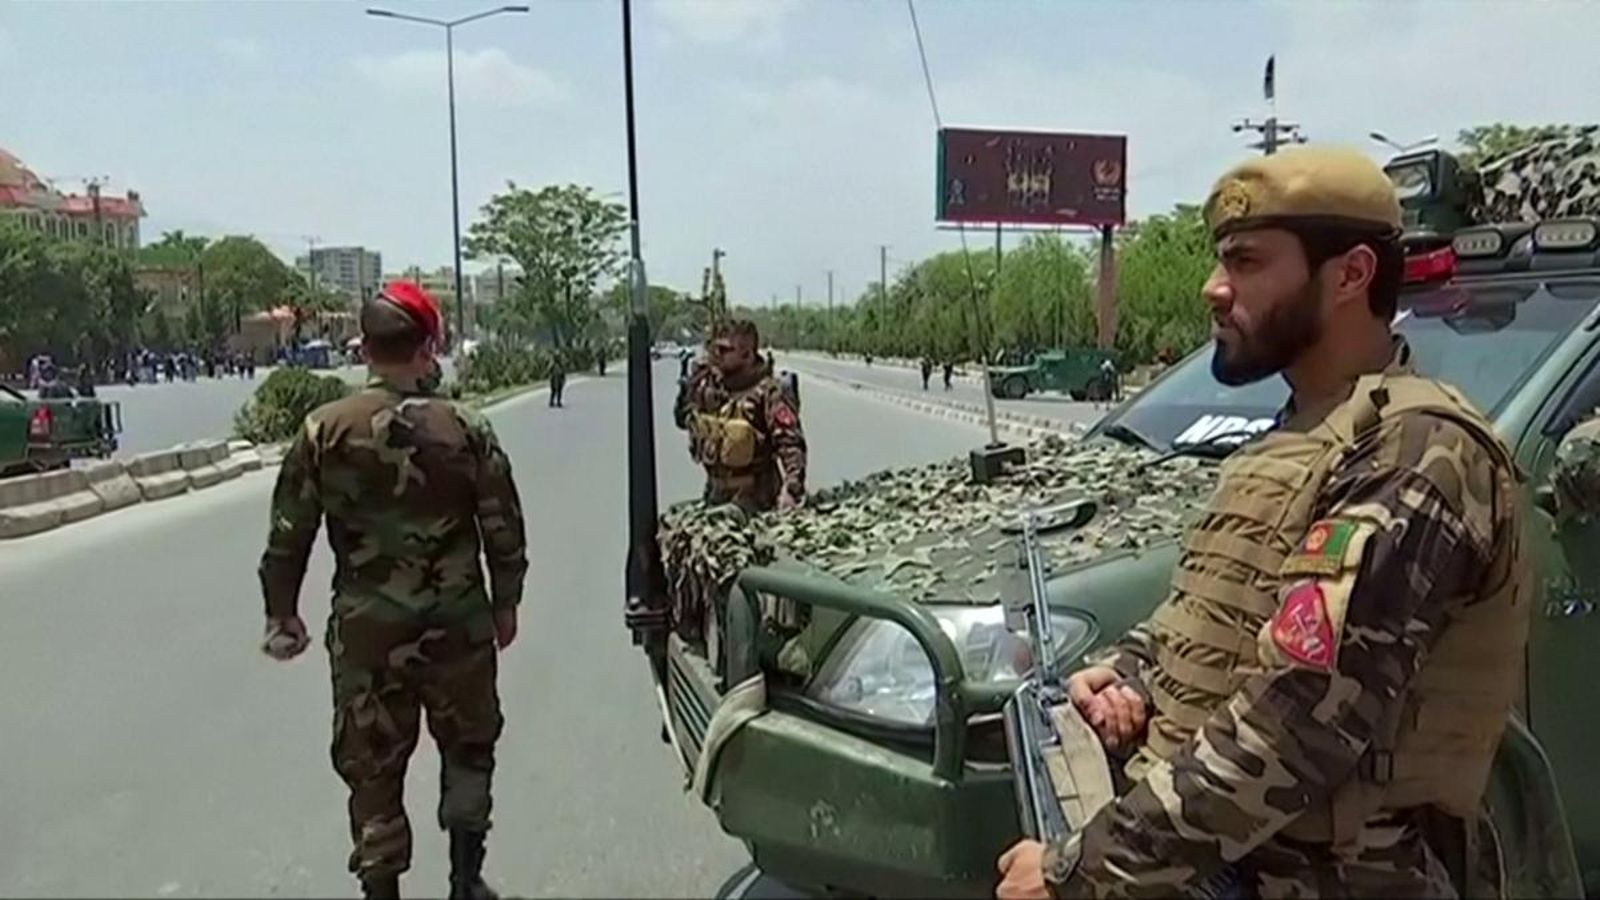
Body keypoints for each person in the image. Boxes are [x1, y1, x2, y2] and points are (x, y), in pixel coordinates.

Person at [996, 146, 1531, 899]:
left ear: (1350, 276)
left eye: (1246, 263)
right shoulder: (1297, 435)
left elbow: (1298, 722)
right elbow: (1226, 609)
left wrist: (1076, 872)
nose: (1214, 289)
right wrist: (1132, 675)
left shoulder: (1419, 453)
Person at [257, 280, 528, 900]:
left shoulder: (323, 430)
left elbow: (287, 535)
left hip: (368, 635)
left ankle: (381, 891)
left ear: (365, 348)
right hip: (459, 630)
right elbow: (502, 525)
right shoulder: (465, 426)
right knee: (468, 749)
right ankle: (466, 880)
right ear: (427, 348)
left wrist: (282, 614)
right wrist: (506, 601)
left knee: (372, 765)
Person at [674, 318, 807, 513]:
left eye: (725, 350)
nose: (716, 355)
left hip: (757, 500)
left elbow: (791, 444)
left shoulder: (768, 392)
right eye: (715, 348)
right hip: (715, 495)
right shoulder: (711, 387)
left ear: (747, 354)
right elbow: (682, 421)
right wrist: (689, 389)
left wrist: (792, 489)